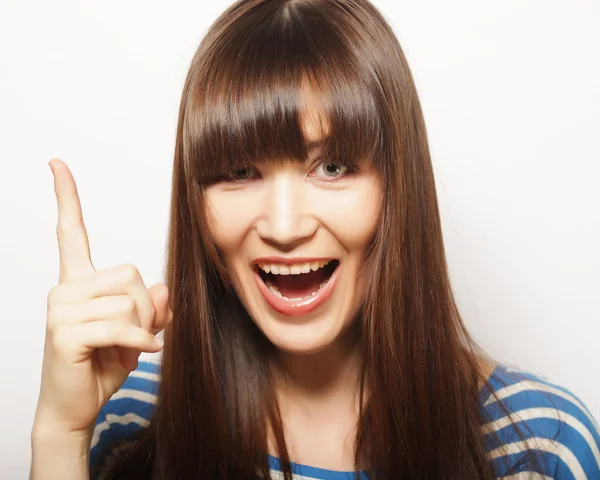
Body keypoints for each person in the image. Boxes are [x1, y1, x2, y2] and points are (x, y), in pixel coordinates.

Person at [30, 0, 599, 479]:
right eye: (238, 172)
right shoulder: (131, 419)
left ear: (397, 185)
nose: (283, 227)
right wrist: (61, 433)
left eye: (332, 168)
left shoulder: (538, 447)